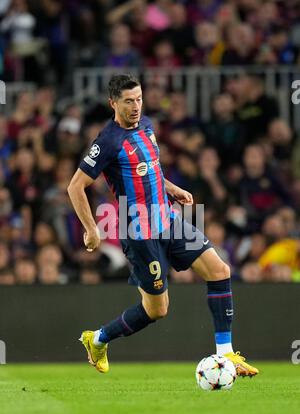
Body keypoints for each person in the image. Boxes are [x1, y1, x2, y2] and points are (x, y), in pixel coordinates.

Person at [67, 74, 258, 377]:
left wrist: (171, 188)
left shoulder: (146, 126)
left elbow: (149, 169)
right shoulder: (107, 141)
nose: (136, 106)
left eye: (139, 98)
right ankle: (99, 338)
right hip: (139, 233)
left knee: (220, 271)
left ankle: (227, 354)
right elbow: (75, 187)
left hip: (168, 219)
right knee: (157, 310)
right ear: (113, 103)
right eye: (129, 101)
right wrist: (91, 229)